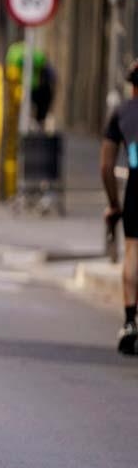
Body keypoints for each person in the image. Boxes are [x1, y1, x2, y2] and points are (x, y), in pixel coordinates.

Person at [101, 60, 138, 355]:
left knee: (133, 253)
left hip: (136, 189)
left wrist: (114, 204)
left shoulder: (122, 112)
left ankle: (129, 323)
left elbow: (106, 165)